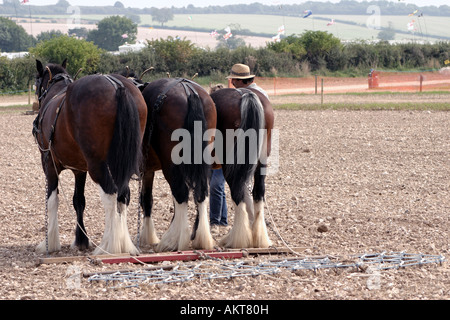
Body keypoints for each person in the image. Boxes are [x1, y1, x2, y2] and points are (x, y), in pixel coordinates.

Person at [209, 63, 269, 229]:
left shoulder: (238, 96)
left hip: (241, 146)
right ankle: (256, 223)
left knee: (237, 182)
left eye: (233, 80)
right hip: (259, 148)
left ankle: (247, 224)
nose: (232, 84)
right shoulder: (263, 95)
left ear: (237, 80)